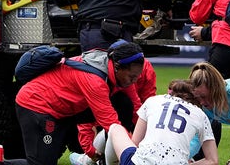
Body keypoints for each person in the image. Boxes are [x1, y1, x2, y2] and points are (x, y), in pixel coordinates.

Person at [15, 41, 145, 165]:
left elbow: (138, 110)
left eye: (137, 77)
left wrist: (146, 143)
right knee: (40, 163)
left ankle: (99, 160)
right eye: (132, 77)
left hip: (64, 110)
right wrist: (134, 153)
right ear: (117, 67)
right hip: (36, 105)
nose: (134, 81)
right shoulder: (95, 81)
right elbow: (110, 123)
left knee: (123, 103)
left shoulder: (120, 72)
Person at [104, 79, 218, 165]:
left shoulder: (153, 100)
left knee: (115, 128)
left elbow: (135, 143)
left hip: (139, 162)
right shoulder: (200, 114)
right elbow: (213, 160)